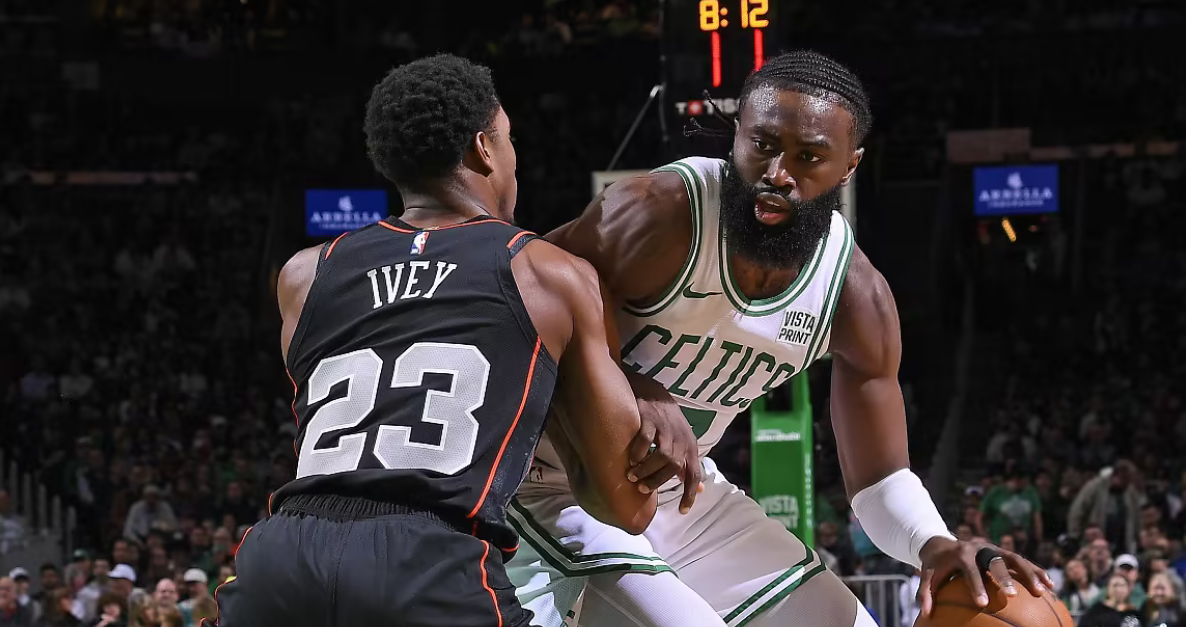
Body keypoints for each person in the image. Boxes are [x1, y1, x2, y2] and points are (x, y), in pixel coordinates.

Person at [507, 50, 1051, 627]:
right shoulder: (661, 212)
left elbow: (880, 480)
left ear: (849, 166)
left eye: (808, 157)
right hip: (549, 480)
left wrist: (933, 544)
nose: (778, 174)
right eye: (762, 145)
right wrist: (631, 387)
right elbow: (512, 294)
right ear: (737, 135)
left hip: (681, 495)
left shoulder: (854, 296)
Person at [209, 53, 660, 627]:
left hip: (283, 555)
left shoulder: (303, 275)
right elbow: (626, 506)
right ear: (484, 148)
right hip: (427, 560)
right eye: (509, 139)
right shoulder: (548, 273)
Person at [1079, 572, 1144, 627]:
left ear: (1128, 589)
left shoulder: (1134, 612)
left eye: (1122, 585)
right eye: (1115, 585)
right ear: (1108, 589)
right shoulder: (1095, 612)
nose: (1118, 589)